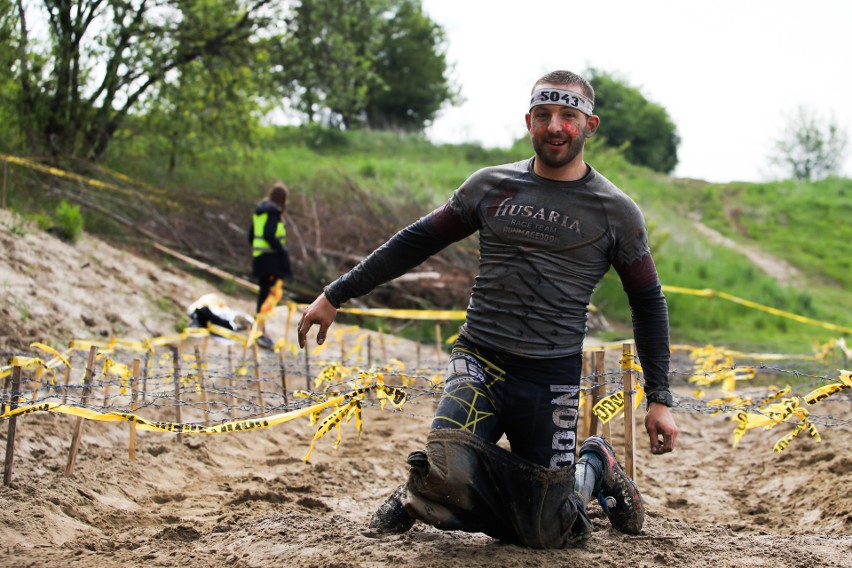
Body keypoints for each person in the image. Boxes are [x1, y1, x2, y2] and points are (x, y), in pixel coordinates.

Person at [297, 70, 678, 548]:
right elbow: (416, 241)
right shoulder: (491, 187)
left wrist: (659, 397)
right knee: (446, 480)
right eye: (544, 115)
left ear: (590, 125)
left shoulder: (616, 211)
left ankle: (593, 463)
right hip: (480, 359)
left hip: (549, 376)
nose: (555, 126)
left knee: (548, 530)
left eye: (567, 115)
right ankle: (434, 482)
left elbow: (647, 302)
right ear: (529, 121)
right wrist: (335, 295)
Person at [248, 181, 293, 349]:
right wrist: (281, 250)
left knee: (264, 294)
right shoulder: (273, 212)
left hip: (259, 258)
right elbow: (268, 235)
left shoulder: (259, 211)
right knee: (269, 296)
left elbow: (251, 236)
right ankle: (260, 331)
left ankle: (260, 329)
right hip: (271, 261)